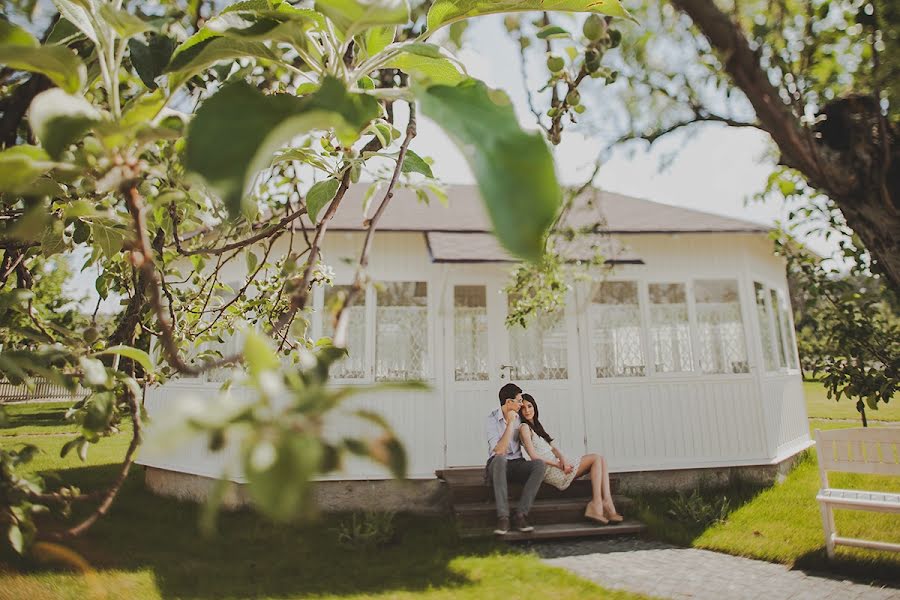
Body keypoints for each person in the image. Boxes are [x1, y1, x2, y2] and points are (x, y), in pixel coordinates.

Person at [518, 393, 623, 525]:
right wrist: (558, 465)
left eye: (529, 406)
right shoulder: (524, 428)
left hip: (557, 465)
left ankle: (606, 502)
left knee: (601, 459)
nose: (527, 410)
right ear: (519, 411)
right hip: (549, 469)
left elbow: (554, 449)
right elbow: (534, 456)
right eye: (523, 408)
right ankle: (597, 504)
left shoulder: (537, 427)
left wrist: (563, 459)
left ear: (535, 407)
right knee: (596, 458)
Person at [485, 383, 546, 535]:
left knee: (539, 465)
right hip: (497, 465)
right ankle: (503, 517)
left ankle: (520, 515)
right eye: (518, 401)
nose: (521, 404)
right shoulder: (491, 419)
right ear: (508, 402)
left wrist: (557, 457)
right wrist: (511, 423)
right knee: (499, 459)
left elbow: (539, 435)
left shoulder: (521, 417)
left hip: (517, 464)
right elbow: (499, 450)